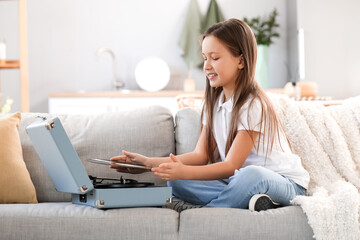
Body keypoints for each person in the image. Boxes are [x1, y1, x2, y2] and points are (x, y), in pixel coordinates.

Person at [110, 18, 309, 211]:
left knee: (250, 176)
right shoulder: (213, 103)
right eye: (205, 58)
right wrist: (147, 163)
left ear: (241, 60)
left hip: (284, 183)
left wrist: (185, 171)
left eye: (215, 58)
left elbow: (231, 165)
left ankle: (211, 211)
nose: (206, 66)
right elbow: (200, 155)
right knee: (177, 182)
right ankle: (250, 201)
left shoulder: (252, 104)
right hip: (238, 181)